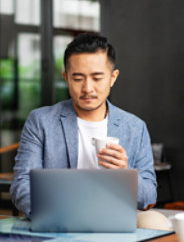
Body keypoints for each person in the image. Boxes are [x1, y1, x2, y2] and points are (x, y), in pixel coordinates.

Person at [10, 33, 157, 218]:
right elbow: (22, 185)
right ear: (66, 78)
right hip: (58, 218)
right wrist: (54, 214)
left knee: (154, 221)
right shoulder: (41, 121)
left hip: (113, 218)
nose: (87, 88)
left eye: (97, 78)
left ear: (113, 77)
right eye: (78, 78)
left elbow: (149, 196)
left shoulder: (135, 127)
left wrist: (125, 175)